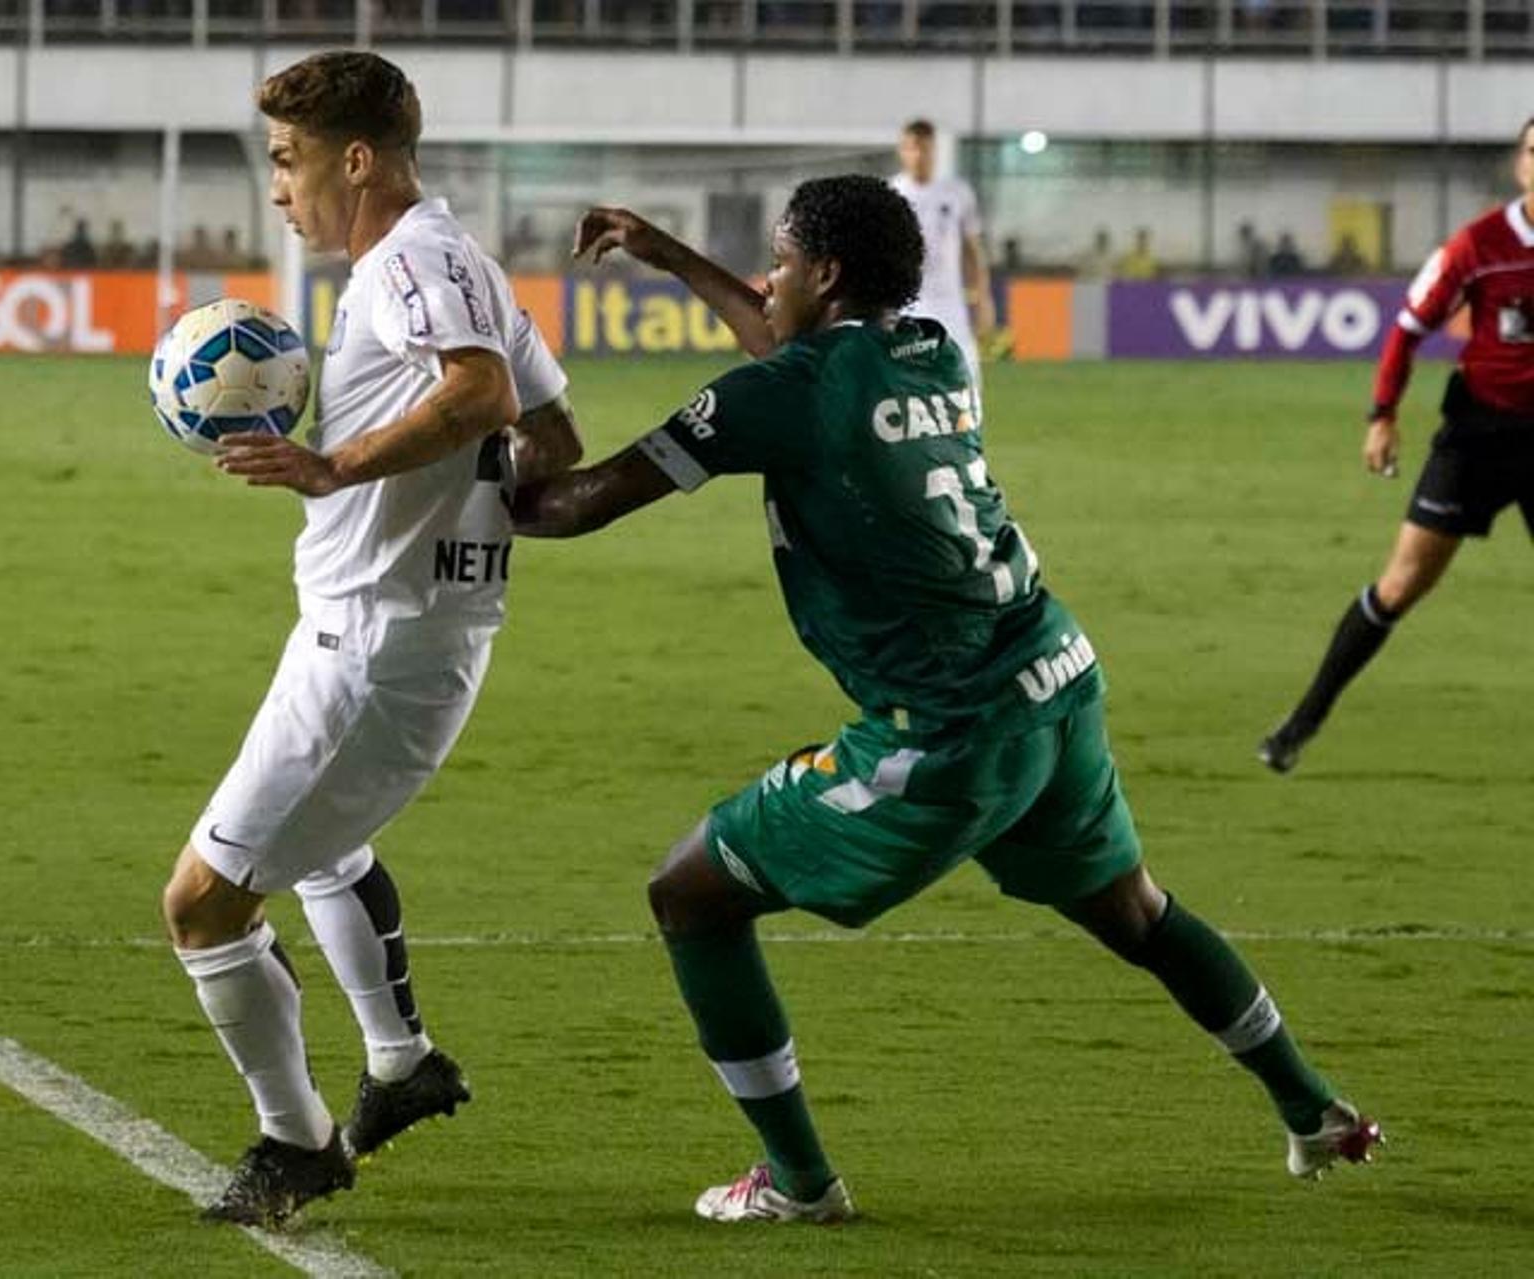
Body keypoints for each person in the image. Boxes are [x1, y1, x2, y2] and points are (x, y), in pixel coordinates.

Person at [509, 177, 1380, 1224]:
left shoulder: (783, 393)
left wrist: (460, 468)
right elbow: (788, 357)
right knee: (1135, 911)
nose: (768, 277)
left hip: (952, 730)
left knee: (690, 892)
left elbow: (573, 506)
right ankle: (1312, 1105)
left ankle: (799, 1183)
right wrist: (671, 256)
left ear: (822, 274)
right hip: (1056, 678)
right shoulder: (929, 350)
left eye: (779, 260)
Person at [158, 50, 582, 1229]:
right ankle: (401, 1063)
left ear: (357, 160)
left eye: (290, 162)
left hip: (378, 651)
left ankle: (295, 1146)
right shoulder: (462, 262)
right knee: (325, 851)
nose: (280, 190)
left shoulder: (411, 263)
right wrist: (464, 515)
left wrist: (337, 463)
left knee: (201, 905)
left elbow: (485, 394)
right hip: (392, 633)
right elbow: (552, 433)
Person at [1260, 119, 1534, 772]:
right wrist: (1382, 415)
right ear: (1520, 164)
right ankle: (1301, 723)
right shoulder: (1479, 244)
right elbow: (1408, 328)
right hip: (1480, 436)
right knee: (1402, 584)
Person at [889, 118, 995, 387]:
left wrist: (982, 297)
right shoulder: (891, 193)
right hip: (905, 303)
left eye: (925, 148)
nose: (919, 155)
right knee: (906, 380)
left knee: (966, 377)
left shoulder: (957, 192)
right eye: (913, 148)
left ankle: (967, 429)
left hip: (949, 303)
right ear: (902, 151)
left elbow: (972, 250)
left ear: (934, 150)